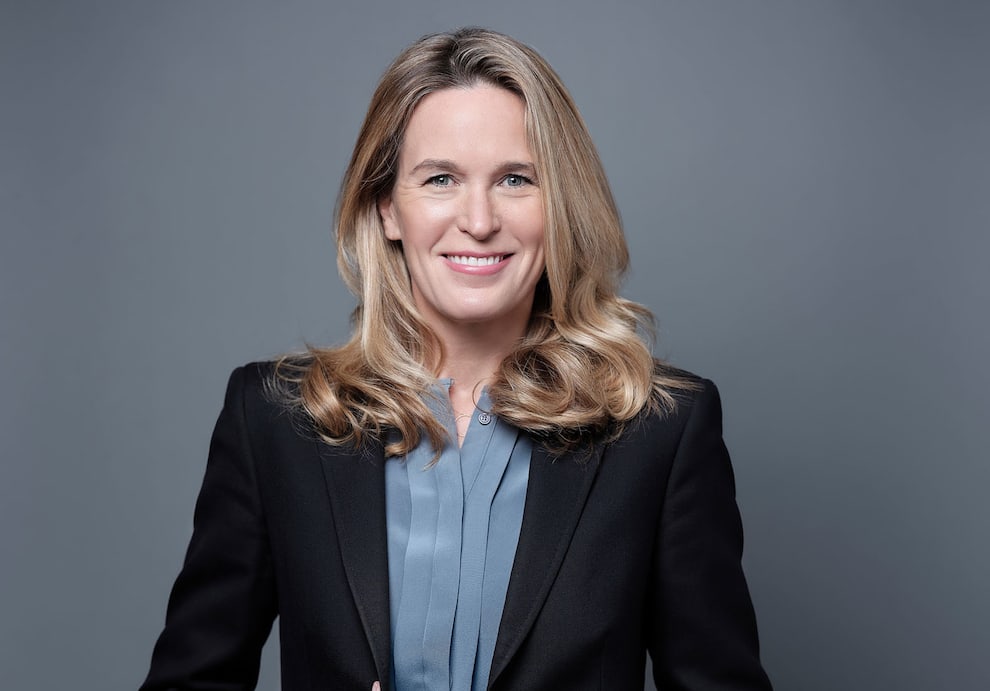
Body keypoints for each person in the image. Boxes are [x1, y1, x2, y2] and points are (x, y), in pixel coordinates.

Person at [141, 27, 772, 691]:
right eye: (440, 178)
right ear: (387, 208)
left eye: (515, 179)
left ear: (560, 204)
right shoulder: (272, 421)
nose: (479, 219)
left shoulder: (662, 432)